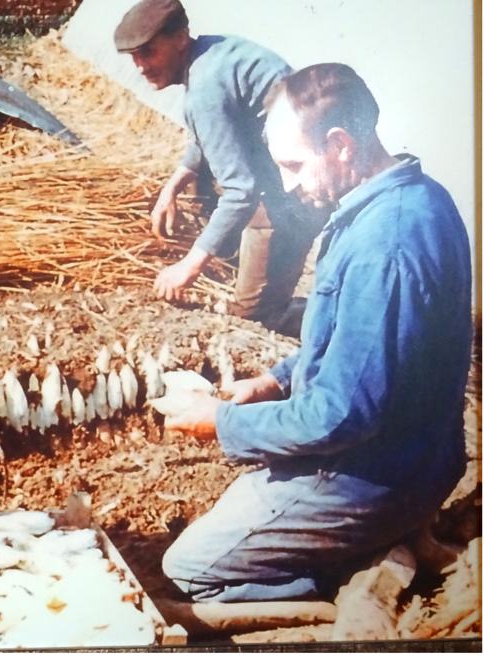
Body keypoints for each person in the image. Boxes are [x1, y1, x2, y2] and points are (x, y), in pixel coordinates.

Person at [160, 63, 472, 603]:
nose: (288, 183)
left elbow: (342, 415)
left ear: (340, 144)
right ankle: (363, 543)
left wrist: (224, 423)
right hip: (408, 455)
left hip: (373, 475)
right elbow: (359, 344)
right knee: (240, 513)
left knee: (188, 568)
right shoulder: (414, 197)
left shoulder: (386, 244)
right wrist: (275, 381)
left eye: (295, 165)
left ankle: (340, 582)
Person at [114, 0, 323, 334]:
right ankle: (244, 260)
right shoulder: (210, 53)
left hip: (302, 188)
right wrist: (172, 187)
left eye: (149, 52)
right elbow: (212, 135)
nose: (140, 66)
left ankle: (334, 317)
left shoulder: (204, 89)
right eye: (135, 56)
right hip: (287, 170)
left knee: (255, 317)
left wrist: (190, 267)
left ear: (180, 38)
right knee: (203, 185)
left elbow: (243, 189)